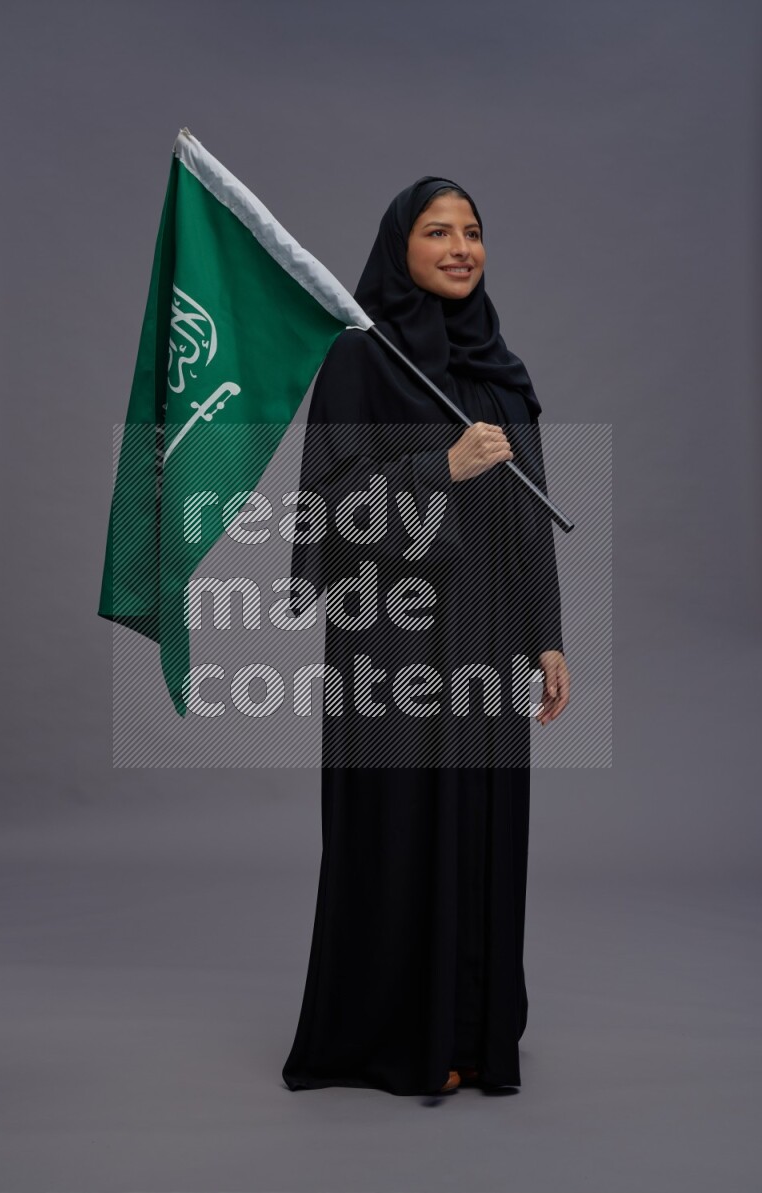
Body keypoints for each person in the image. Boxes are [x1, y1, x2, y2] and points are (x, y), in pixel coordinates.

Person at [281, 176, 570, 1097]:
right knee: (403, 831)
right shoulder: (360, 364)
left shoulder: (498, 370)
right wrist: (437, 468)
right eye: (437, 232)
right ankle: (395, 1037)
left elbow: (530, 517)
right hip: (395, 652)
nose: (459, 247)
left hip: (486, 643)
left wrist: (547, 638)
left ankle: (475, 1033)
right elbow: (324, 519)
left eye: (473, 231)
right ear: (398, 247)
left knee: (483, 827)